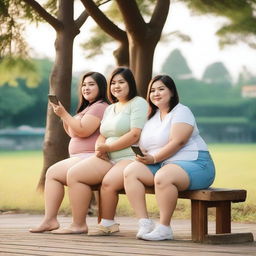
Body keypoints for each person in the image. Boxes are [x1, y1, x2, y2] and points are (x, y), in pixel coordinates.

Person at [51, 67, 149, 235]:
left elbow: (134, 134)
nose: (116, 86)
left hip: (128, 156)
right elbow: (103, 134)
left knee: (108, 183)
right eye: (113, 83)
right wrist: (99, 148)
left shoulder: (138, 103)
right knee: (74, 174)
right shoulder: (111, 108)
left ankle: (107, 224)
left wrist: (108, 147)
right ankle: (78, 224)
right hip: (107, 157)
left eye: (121, 82)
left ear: (130, 84)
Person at [123, 75, 215, 241]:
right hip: (163, 164)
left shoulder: (182, 111)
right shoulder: (151, 116)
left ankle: (164, 227)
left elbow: (178, 141)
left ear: (171, 92)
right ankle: (145, 223)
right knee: (131, 171)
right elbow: (146, 143)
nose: (156, 93)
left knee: (163, 176)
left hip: (196, 164)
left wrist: (153, 158)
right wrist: (143, 153)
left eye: (161, 89)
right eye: (152, 90)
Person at [29, 71, 109, 233]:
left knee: (70, 174)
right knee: (52, 173)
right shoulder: (87, 108)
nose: (86, 88)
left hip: (92, 158)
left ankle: (78, 224)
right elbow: (73, 132)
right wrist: (65, 116)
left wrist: (64, 114)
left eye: (91, 84)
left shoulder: (100, 107)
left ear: (101, 87)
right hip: (80, 157)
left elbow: (83, 131)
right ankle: (50, 220)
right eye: (84, 85)